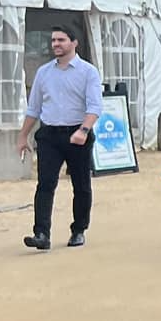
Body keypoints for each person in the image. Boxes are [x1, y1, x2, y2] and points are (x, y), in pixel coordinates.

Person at [17, 28, 104, 251]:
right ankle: (41, 233)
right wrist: (23, 135)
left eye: (61, 40)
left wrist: (83, 130)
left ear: (74, 43)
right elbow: (34, 107)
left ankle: (78, 230)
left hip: (78, 134)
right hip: (49, 136)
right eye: (54, 40)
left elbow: (95, 106)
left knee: (81, 185)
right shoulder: (44, 73)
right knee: (45, 184)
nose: (56, 44)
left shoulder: (88, 72)